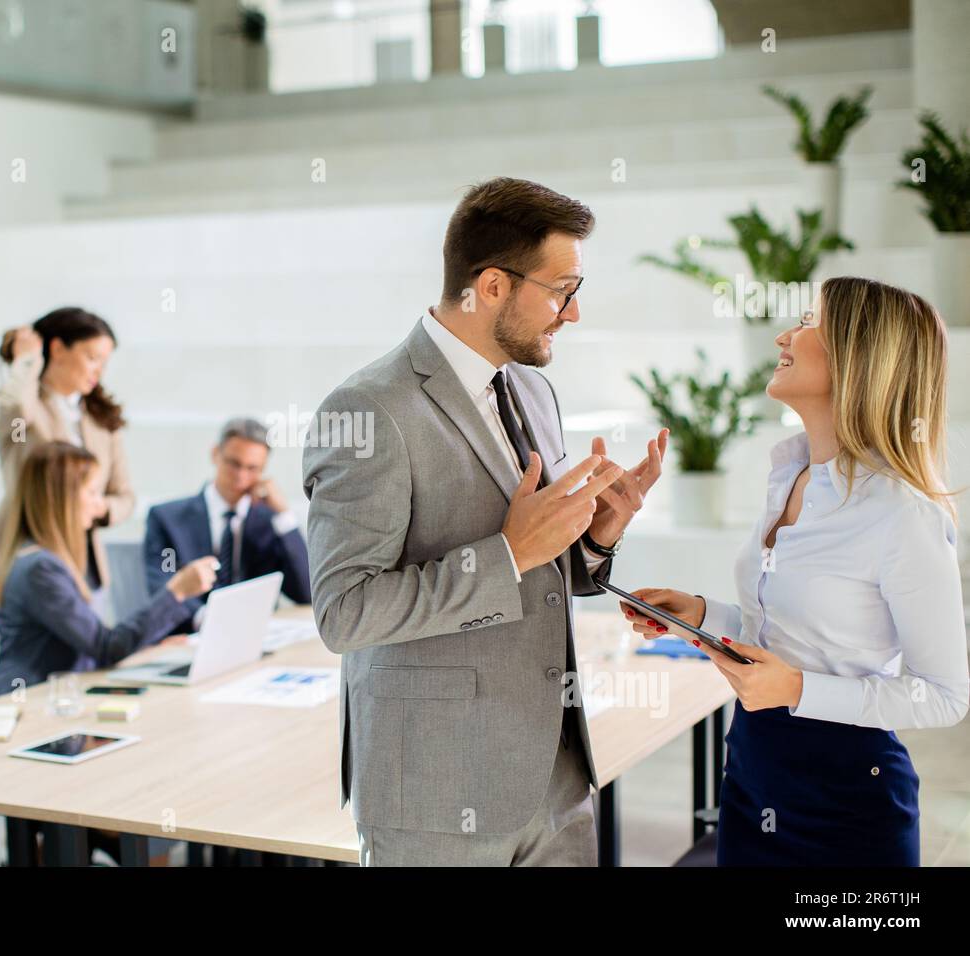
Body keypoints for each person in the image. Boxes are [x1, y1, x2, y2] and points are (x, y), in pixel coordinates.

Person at [302, 177, 668, 866]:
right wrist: (506, 554)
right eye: (563, 290)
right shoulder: (368, 410)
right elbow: (343, 613)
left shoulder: (534, 387)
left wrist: (595, 537)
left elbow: (546, 571)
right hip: (436, 797)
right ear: (493, 286)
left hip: (557, 781)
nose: (574, 313)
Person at [619, 277, 968, 866]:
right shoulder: (791, 476)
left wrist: (800, 691)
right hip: (752, 772)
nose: (784, 335)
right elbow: (784, 637)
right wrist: (703, 616)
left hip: (848, 805)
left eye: (807, 323)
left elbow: (945, 697)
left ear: (858, 358)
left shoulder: (904, 516)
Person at [0, 441, 216, 702]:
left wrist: (148, 649)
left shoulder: (47, 561)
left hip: (48, 699)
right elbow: (105, 647)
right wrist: (176, 591)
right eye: (91, 493)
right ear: (61, 500)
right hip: (21, 704)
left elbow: (93, 646)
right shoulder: (40, 570)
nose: (100, 505)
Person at [0, 307, 135, 592]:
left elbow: (125, 495)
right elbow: (13, 409)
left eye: (104, 362)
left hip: (84, 558)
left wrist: (102, 507)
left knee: (91, 637)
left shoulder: (101, 418)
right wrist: (27, 358)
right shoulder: (22, 409)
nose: (99, 371)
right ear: (58, 349)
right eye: (92, 358)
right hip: (26, 553)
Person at [144, 417, 311, 637]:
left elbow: (307, 592)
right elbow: (162, 583)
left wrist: (284, 516)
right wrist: (207, 620)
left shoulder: (270, 522)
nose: (241, 476)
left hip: (255, 637)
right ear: (215, 454)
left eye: (252, 468)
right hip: (189, 635)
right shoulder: (167, 519)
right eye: (234, 463)